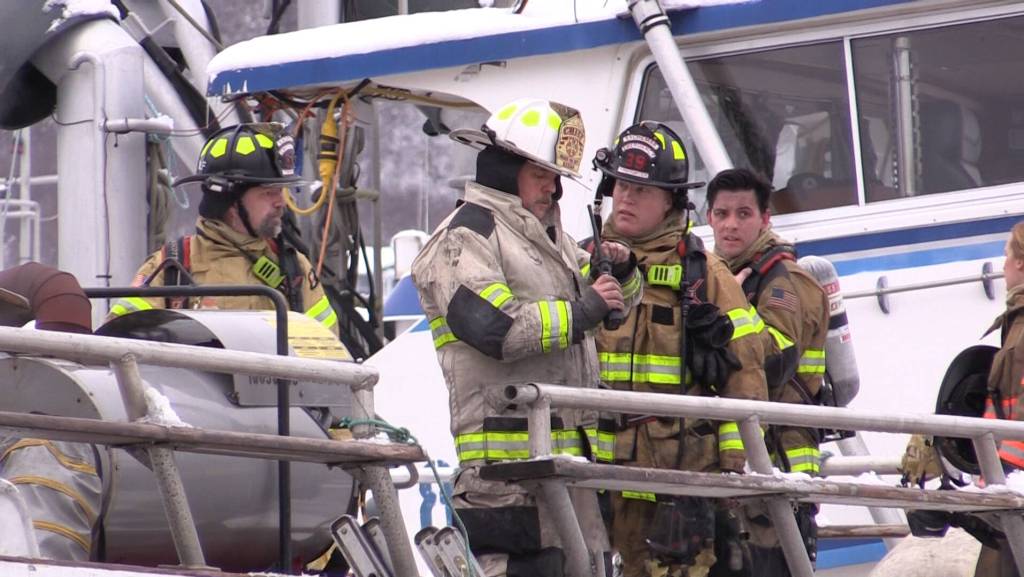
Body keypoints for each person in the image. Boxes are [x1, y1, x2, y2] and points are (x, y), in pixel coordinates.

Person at [411, 98, 642, 577]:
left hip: (567, 474)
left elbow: (613, 303)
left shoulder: (548, 239)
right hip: (506, 480)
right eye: (543, 175)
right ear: (506, 169)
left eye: (557, 178)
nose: (554, 188)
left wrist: (624, 270)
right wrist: (584, 311)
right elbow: (496, 329)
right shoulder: (463, 239)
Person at [591, 122, 768, 577]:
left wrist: (726, 479)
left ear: (671, 200)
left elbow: (745, 382)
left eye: (641, 189)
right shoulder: (583, 264)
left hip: (677, 486)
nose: (625, 198)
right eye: (621, 186)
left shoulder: (705, 275)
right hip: (597, 481)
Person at [705, 168, 830, 574]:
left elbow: (775, 363)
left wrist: (734, 309)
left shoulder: (784, 283)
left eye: (743, 214)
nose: (730, 225)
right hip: (740, 462)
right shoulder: (713, 276)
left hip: (779, 462)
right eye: (721, 213)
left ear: (765, 219)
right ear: (708, 218)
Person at [107, 123, 337, 334]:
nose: (281, 202)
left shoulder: (293, 268)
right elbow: (119, 340)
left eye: (281, 191)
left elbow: (329, 351)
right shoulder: (172, 264)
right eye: (269, 192)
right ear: (229, 200)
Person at [974, 220, 1024, 576]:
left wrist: (1000, 473)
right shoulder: (1016, 322)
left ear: (1021, 262)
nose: (1003, 261)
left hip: (1015, 488)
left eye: (1007, 253)